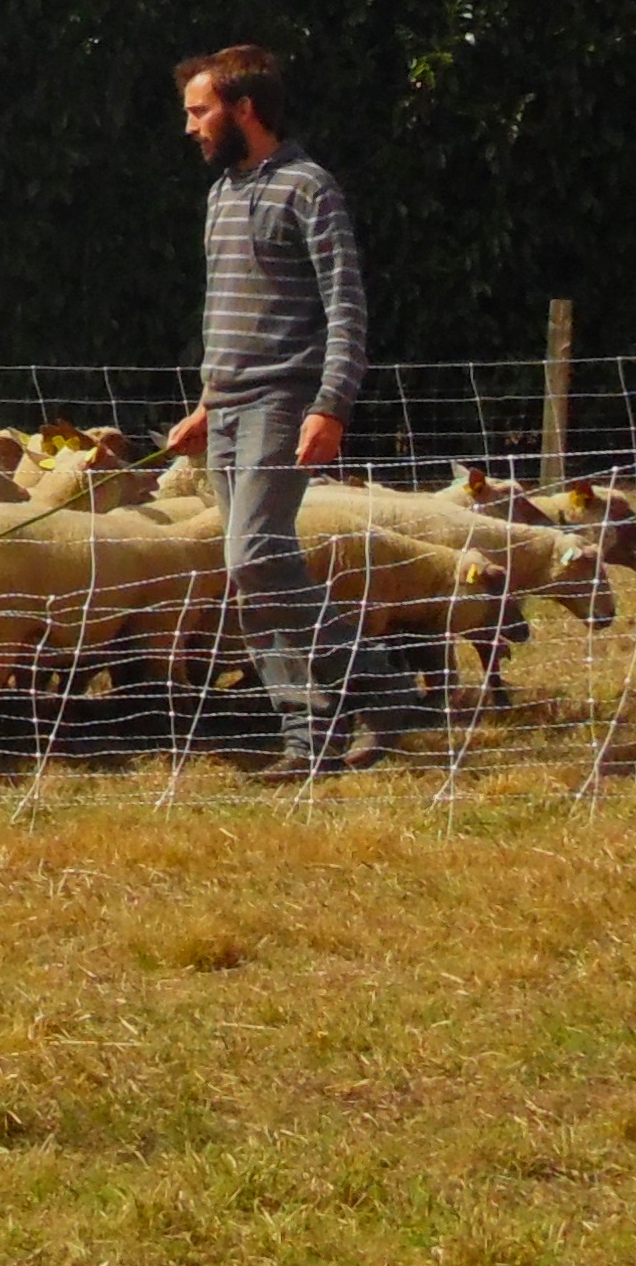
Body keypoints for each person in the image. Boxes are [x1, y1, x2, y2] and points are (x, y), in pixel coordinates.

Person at [167, 45, 432, 779]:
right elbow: (230, 317)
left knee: (253, 555)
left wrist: (331, 405)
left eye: (200, 110)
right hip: (227, 408)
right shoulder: (222, 194)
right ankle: (306, 738)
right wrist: (206, 404)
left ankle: (381, 690)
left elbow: (346, 306)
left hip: (285, 402)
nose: (189, 126)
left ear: (243, 109)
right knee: (254, 570)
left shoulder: (310, 189)